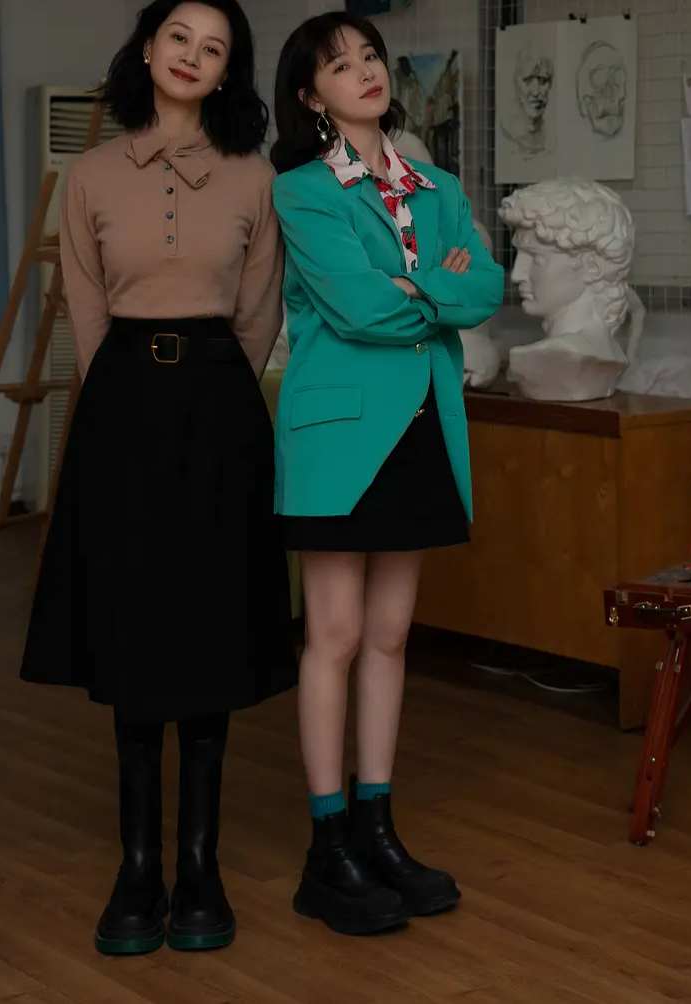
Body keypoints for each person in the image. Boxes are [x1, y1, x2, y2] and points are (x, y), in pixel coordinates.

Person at [19, 0, 298, 955]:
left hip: (220, 409)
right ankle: (137, 865)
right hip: (122, 407)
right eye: (179, 37)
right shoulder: (90, 175)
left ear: (227, 72)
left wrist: (211, 391)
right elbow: (87, 310)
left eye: (213, 48)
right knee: (135, 621)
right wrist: (132, 397)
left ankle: (200, 863)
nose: (192, 56)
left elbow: (257, 313)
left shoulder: (255, 176)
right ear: (148, 50)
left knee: (208, 618)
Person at [270, 12, 504, 936]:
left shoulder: (437, 188)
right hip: (337, 437)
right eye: (340, 66)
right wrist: (431, 290)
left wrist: (423, 290)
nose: (365, 71)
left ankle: (377, 828)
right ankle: (326, 846)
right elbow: (359, 309)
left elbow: (485, 288)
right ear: (309, 96)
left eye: (369, 55)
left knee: (391, 636)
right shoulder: (301, 191)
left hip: (421, 428)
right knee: (331, 635)